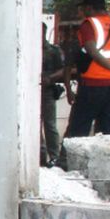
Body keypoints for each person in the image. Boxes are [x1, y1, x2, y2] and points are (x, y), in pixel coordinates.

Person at [63, 0, 110, 138]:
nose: (83, 12)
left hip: (92, 86)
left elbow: (92, 51)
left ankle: (67, 161)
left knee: (78, 131)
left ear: (90, 8)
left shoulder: (89, 25)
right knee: (108, 131)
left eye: (83, 9)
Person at [40, 23, 66, 166]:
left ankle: (54, 156)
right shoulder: (26, 49)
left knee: (49, 124)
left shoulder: (53, 51)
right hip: (31, 92)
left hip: (47, 91)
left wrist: (50, 78)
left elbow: (63, 70)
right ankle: (40, 155)